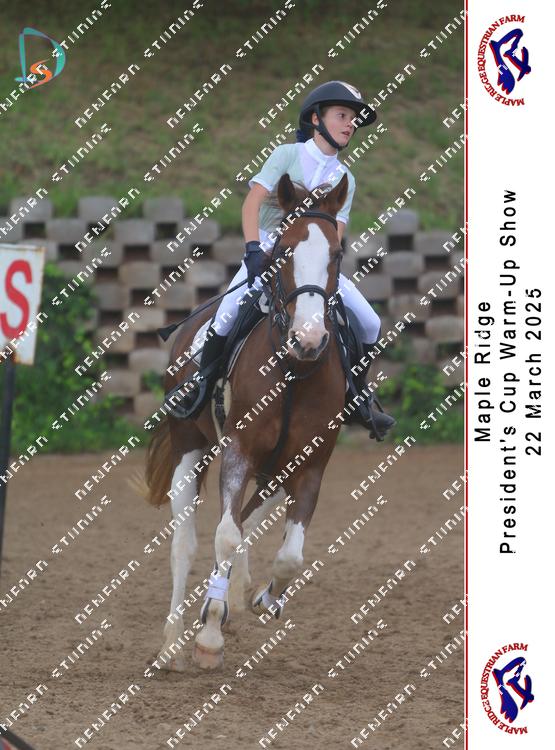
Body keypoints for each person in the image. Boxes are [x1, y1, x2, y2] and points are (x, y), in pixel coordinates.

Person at [172, 80, 395, 440]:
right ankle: (200, 385)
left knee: (370, 323)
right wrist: (252, 249)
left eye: (353, 119)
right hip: (267, 251)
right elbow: (252, 203)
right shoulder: (286, 155)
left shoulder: (346, 178)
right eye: (342, 115)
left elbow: (335, 233)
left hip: (317, 263)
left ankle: (357, 396)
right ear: (316, 118)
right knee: (227, 315)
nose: (350, 124)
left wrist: (326, 265)